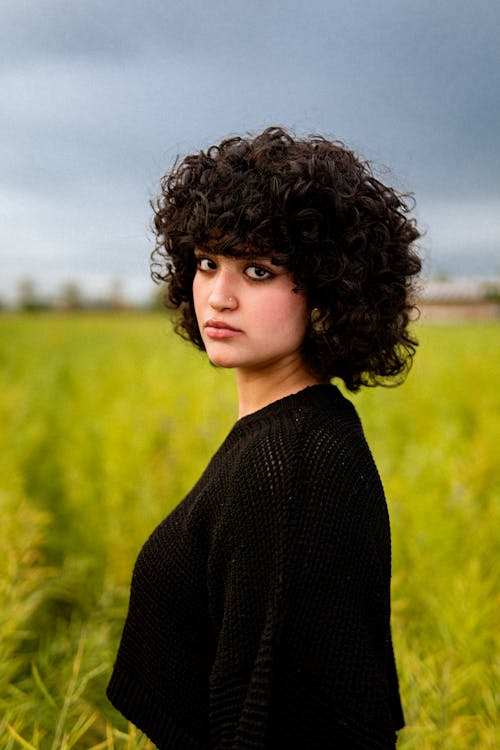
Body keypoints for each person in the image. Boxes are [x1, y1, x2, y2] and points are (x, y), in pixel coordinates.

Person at [107, 126, 421, 749]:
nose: (218, 296)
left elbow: (274, 719)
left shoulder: (291, 464)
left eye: (258, 270)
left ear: (331, 290)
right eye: (206, 263)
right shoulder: (286, 431)